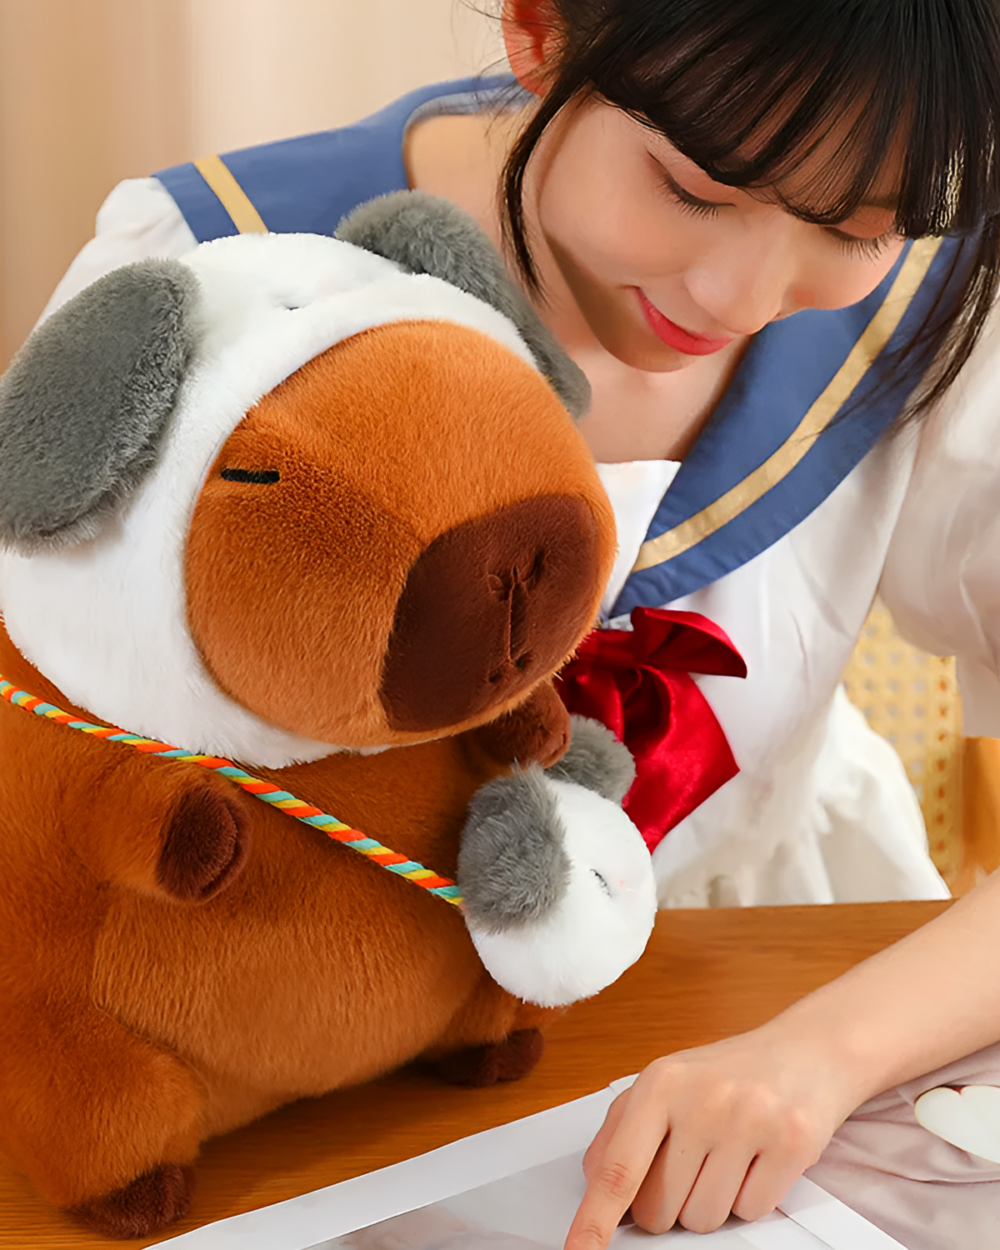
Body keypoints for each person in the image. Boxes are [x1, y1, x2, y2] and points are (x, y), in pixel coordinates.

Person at [35, 1, 1000, 1244]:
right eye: (692, 187)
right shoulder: (214, 265)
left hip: (750, 978)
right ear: (541, 29)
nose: (743, 293)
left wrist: (818, 1054)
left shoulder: (926, 303)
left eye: (850, 229)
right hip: (270, 1034)